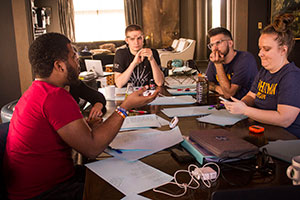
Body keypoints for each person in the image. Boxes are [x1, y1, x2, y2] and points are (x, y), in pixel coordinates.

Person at [3, 32, 159, 200]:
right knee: (132, 186)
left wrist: (87, 127)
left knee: (120, 172)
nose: (78, 62)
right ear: (60, 66)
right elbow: (92, 149)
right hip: (44, 193)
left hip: (40, 184)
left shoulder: (34, 92)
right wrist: (125, 107)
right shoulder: (55, 97)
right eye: (73, 57)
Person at [222, 13, 300, 138]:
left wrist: (244, 110)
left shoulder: (292, 77)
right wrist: (239, 104)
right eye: (260, 48)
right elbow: (251, 96)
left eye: (266, 49)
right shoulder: (265, 71)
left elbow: (284, 119)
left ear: (283, 50)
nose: (260, 54)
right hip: (262, 131)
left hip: (286, 139)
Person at [205, 27, 258, 99]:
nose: (214, 48)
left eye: (218, 43)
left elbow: (229, 94)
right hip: (223, 103)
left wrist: (218, 64)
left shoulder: (245, 59)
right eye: (212, 45)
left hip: (242, 105)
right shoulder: (215, 58)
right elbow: (206, 84)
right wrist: (216, 88)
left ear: (230, 43)